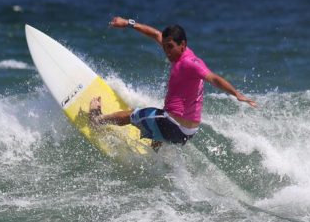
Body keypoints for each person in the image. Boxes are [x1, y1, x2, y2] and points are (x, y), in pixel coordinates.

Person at [90, 17, 256, 150]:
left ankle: (97, 121)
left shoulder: (190, 63)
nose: (167, 52)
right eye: (164, 47)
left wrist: (236, 94)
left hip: (175, 126)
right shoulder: (181, 55)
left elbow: (213, 78)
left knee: (133, 114)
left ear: (182, 45)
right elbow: (155, 34)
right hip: (187, 132)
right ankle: (154, 157)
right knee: (161, 119)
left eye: (170, 47)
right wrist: (128, 23)